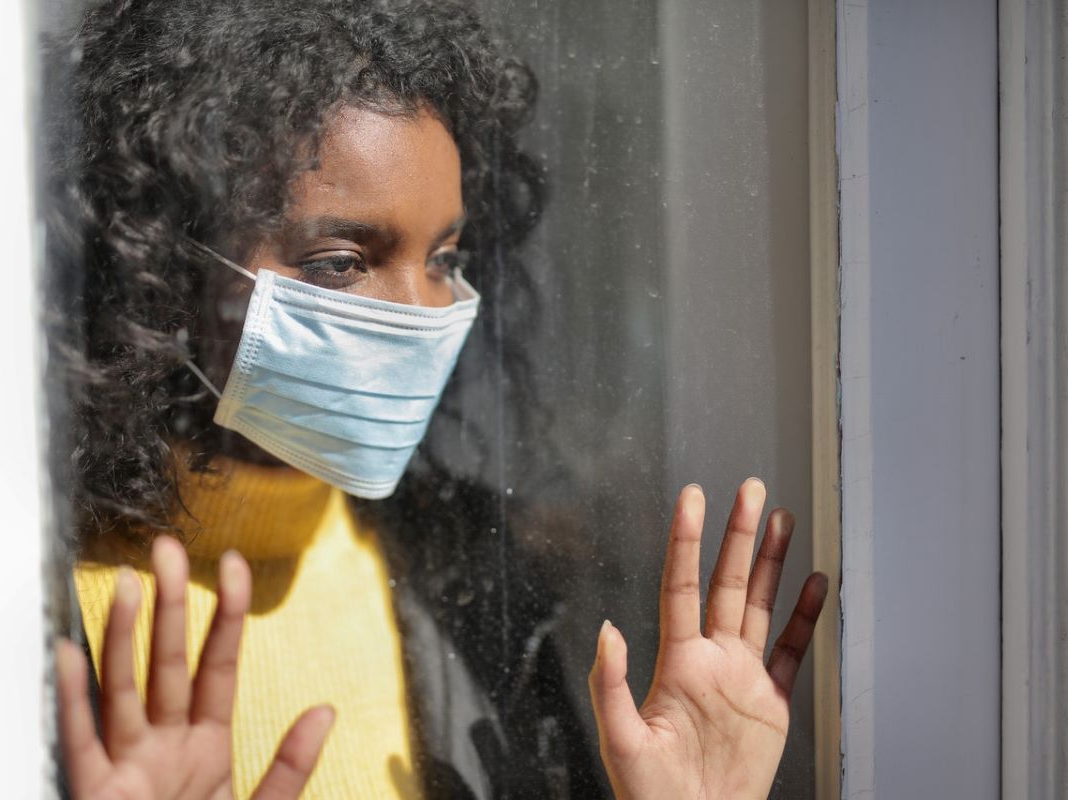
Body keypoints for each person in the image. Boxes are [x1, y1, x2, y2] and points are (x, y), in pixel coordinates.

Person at [44, 1, 828, 798]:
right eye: (343, 261)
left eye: (445, 255)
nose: (424, 313)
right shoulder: (36, 600)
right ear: (159, 263)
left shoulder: (470, 577)